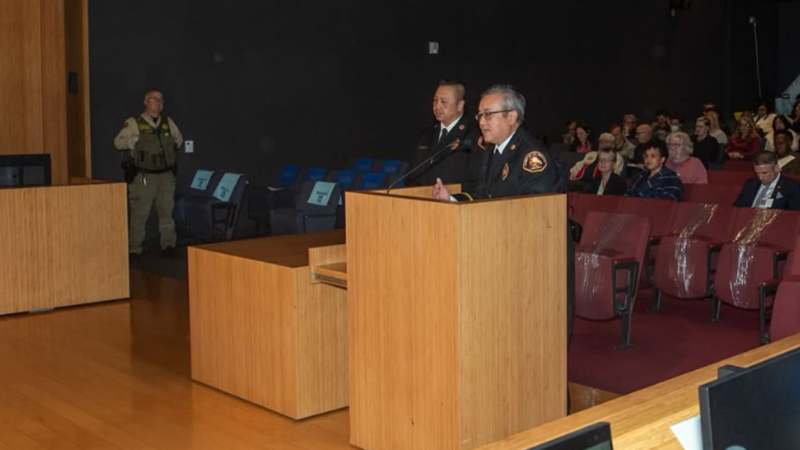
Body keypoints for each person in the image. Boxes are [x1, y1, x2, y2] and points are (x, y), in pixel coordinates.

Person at [432, 84, 563, 201]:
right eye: (480, 115)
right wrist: (451, 199)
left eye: (488, 115)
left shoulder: (531, 155)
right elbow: (481, 195)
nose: (481, 122)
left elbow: (534, 208)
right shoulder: (491, 149)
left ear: (511, 117)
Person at [114, 89, 183, 262]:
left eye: (161, 100)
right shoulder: (134, 122)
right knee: (139, 214)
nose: (158, 103)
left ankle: (168, 245)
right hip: (144, 177)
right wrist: (133, 141)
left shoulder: (167, 122)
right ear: (145, 102)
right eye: (154, 99)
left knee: (167, 212)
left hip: (166, 176)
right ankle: (134, 249)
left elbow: (179, 139)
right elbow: (118, 143)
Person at [409, 80, 479, 187]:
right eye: (435, 100)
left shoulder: (473, 136)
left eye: (444, 102)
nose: (437, 106)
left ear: (460, 105)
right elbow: (411, 177)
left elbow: (476, 181)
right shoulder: (425, 136)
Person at [734, 151, 800, 210]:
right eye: (757, 173)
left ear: (776, 168)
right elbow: (737, 209)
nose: (760, 177)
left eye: (765, 173)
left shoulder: (792, 187)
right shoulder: (750, 184)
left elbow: (794, 215)